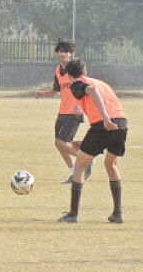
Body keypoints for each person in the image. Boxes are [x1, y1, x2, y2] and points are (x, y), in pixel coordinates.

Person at [58, 58, 128, 224]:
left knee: (79, 166)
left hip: (103, 125)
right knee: (111, 164)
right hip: (121, 124)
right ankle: (117, 213)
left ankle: (73, 214)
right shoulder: (101, 83)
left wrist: (105, 119)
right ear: (85, 71)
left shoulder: (77, 84)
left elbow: (92, 92)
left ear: (69, 76)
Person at [34, 38, 92, 183]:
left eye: (65, 52)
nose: (62, 54)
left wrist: (80, 105)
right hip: (62, 113)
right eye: (60, 52)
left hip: (74, 113)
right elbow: (55, 91)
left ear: (71, 53)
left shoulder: (76, 69)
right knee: (60, 145)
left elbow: (87, 87)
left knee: (61, 143)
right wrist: (42, 94)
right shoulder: (58, 70)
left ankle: (87, 159)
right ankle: (73, 172)